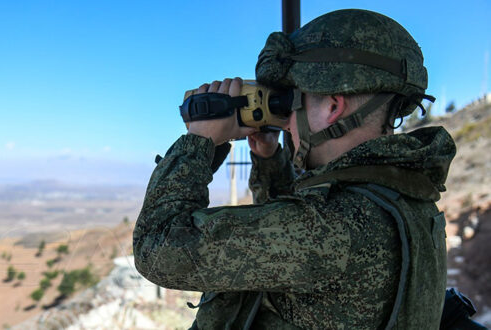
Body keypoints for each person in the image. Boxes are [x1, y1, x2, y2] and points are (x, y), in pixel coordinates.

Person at [133, 9, 456, 329]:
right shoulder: (397, 196)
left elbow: (158, 249)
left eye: (294, 102)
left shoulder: (336, 226)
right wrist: (270, 157)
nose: (287, 121)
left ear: (333, 106)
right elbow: (289, 234)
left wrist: (200, 141)